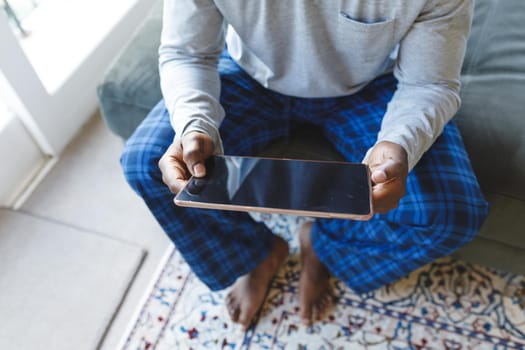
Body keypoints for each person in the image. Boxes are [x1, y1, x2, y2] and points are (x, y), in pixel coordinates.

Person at [121, 0, 489, 329]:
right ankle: (258, 254)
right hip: (248, 74)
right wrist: (194, 123)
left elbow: (429, 83)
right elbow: (186, 53)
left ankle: (322, 244)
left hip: (371, 86)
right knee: (146, 166)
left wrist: (399, 144)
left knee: (451, 214)